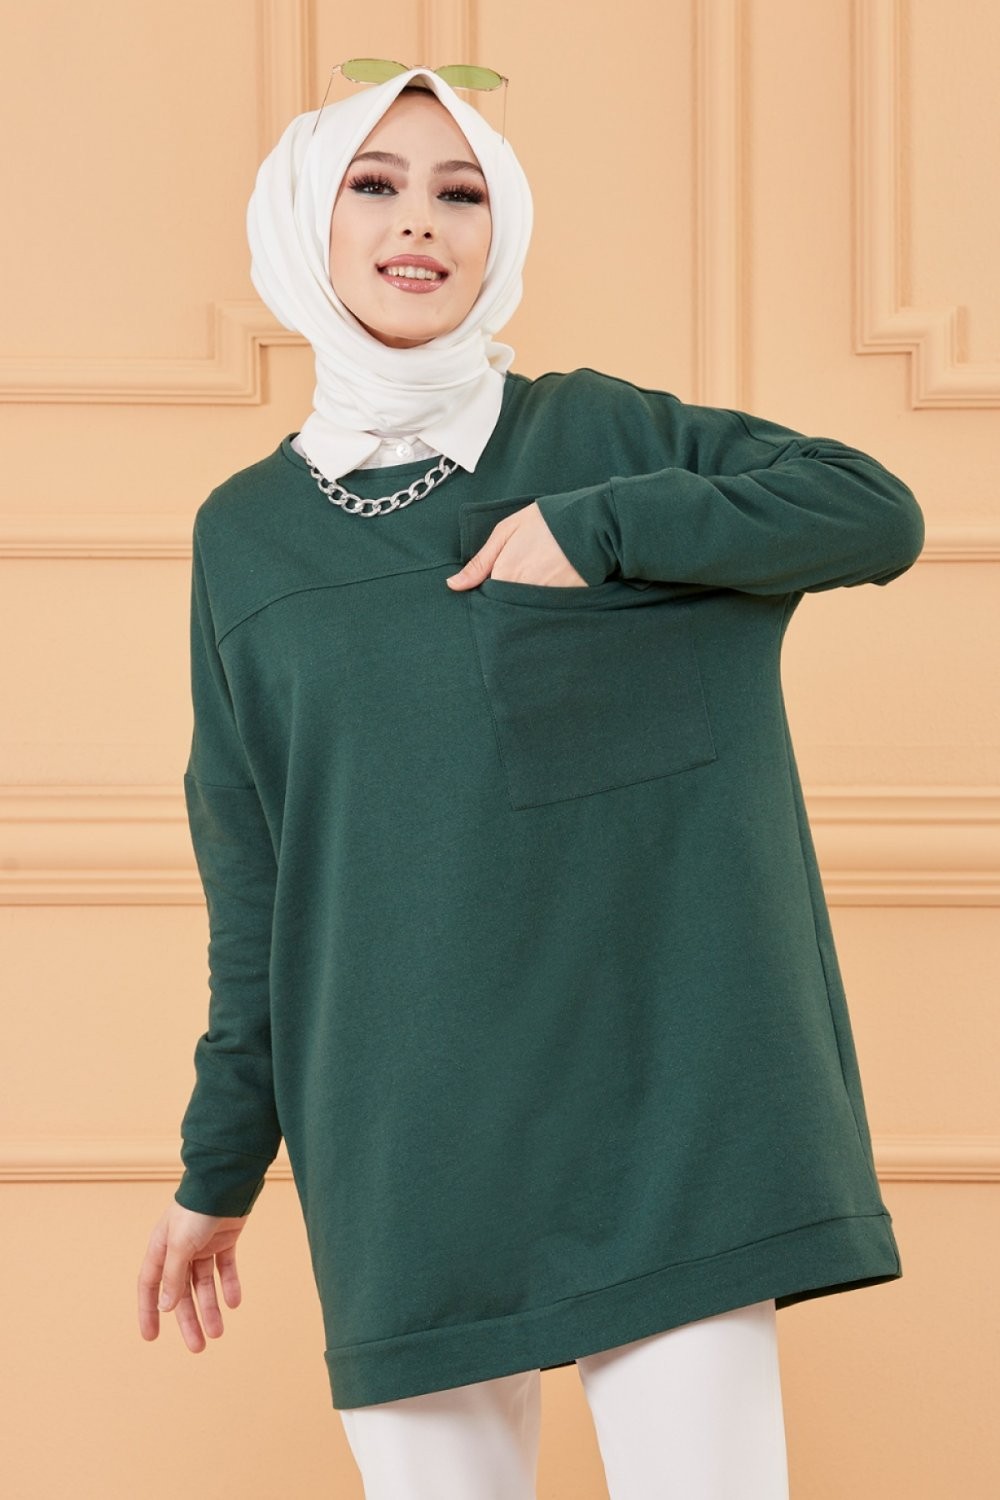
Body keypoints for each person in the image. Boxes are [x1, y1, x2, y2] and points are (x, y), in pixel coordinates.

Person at [136, 64, 924, 1498]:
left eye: (463, 191)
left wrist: (607, 529)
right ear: (305, 218)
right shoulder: (242, 537)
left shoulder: (603, 434)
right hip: (404, 1139)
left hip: (667, 1113)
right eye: (374, 186)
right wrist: (216, 1172)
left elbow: (873, 510)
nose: (418, 223)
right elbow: (258, 882)